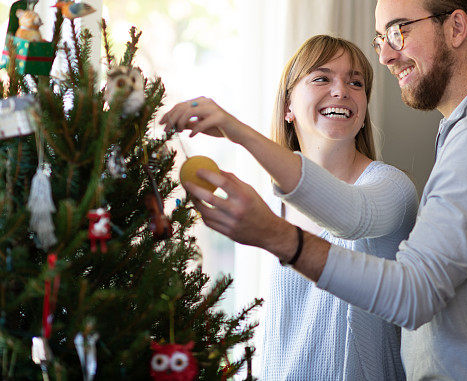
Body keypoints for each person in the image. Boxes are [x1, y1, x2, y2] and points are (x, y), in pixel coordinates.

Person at [177, 0, 467, 380]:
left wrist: (277, 236)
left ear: (455, 27)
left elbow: (413, 292)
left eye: (398, 32)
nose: (386, 57)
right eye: (382, 40)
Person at [162, 35, 418, 380]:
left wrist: (238, 131)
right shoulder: (274, 205)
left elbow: (352, 216)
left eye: (356, 82)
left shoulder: (393, 188)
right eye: (322, 78)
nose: (341, 90)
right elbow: (279, 338)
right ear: (288, 107)